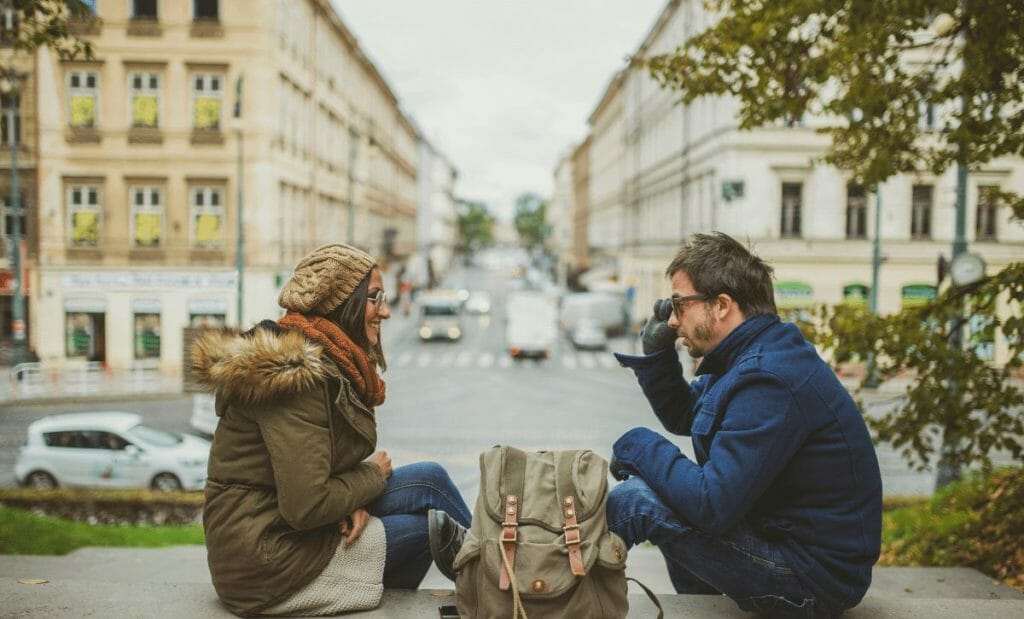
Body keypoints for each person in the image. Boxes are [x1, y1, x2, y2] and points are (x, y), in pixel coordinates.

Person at [606, 232, 882, 618]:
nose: (671, 319)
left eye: (679, 304)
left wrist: (638, 445)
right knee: (656, 488)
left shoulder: (770, 378)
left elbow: (710, 504)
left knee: (636, 501)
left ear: (721, 305)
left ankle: (562, 599)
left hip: (811, 579)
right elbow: (687, 416)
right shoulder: (751, 356)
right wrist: (658, 355)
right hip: (784, 546)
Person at [193, 243, 471, 617]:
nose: (385, 311)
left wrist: (354, 499)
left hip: (280, 527)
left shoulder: (324, 359)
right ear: (343, 305)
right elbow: (307, 506)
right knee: (426, 531)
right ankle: (504, 590)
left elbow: (309, 471)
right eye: (375, 298)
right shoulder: (294, 379)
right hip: (268, 561)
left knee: (429, 479)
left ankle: (504, 580)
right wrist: (370, 476)